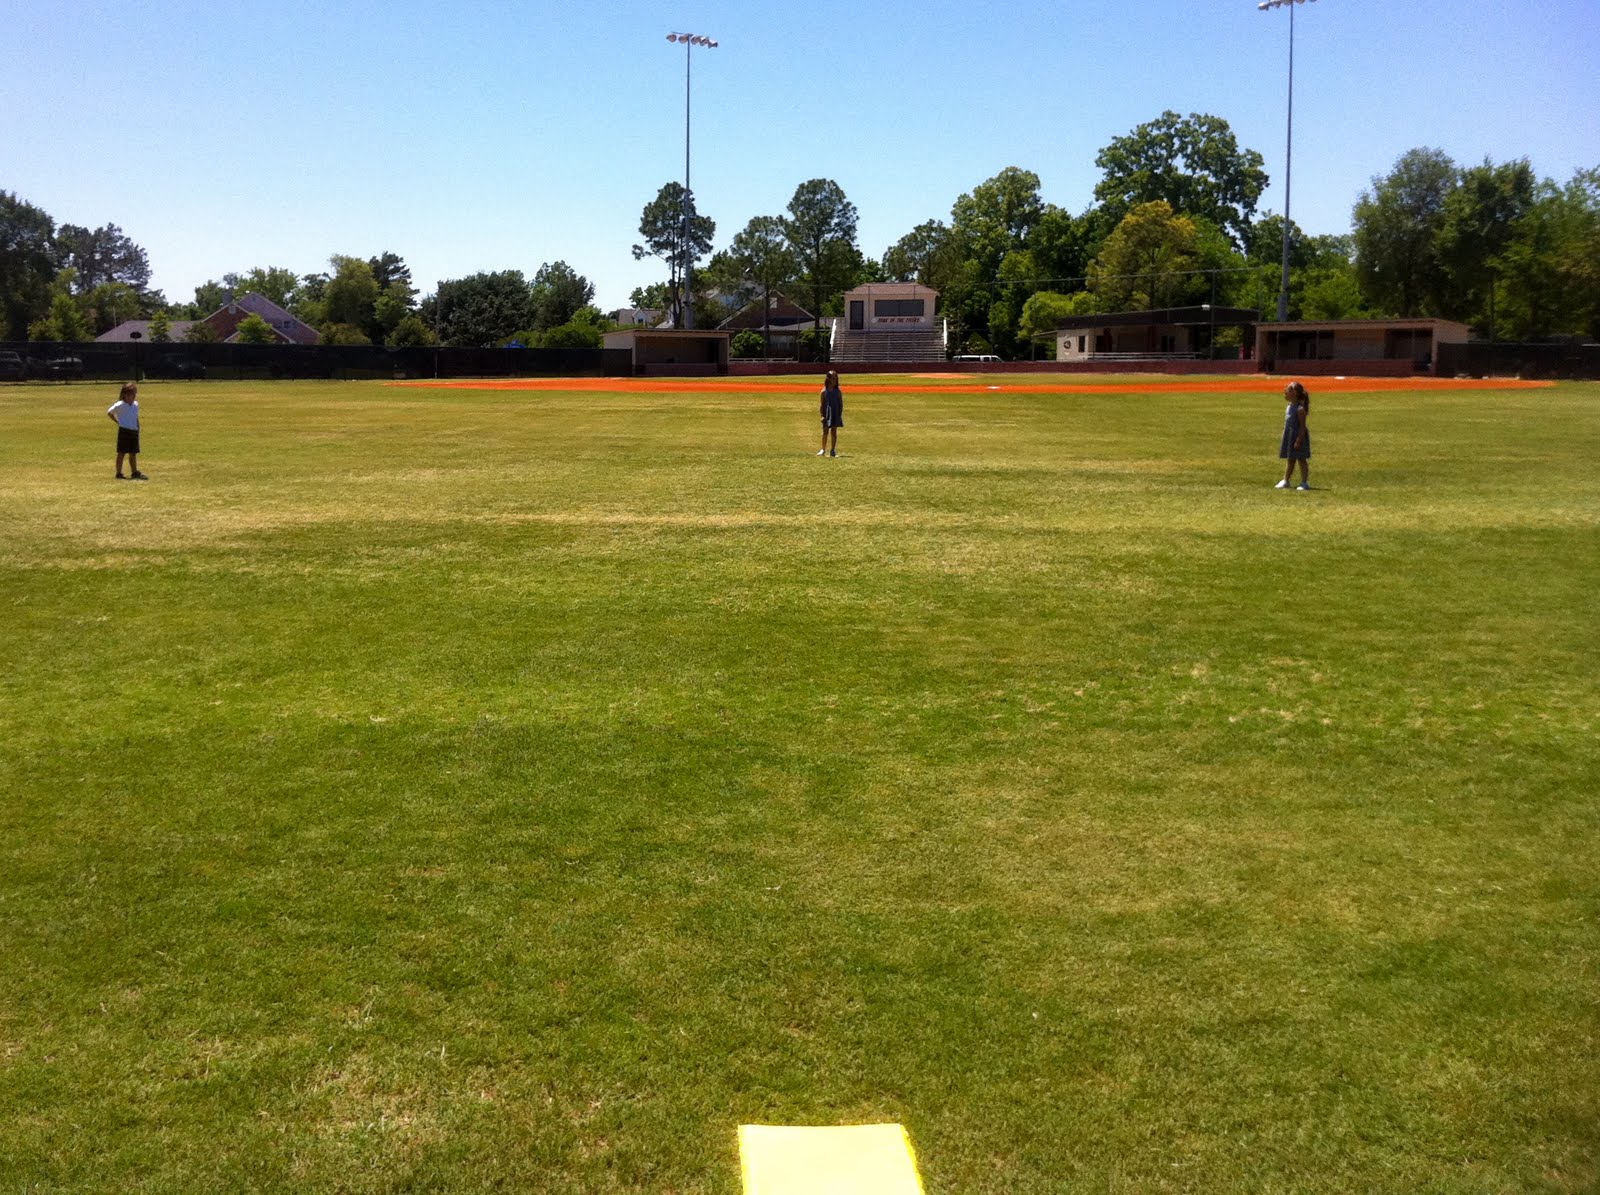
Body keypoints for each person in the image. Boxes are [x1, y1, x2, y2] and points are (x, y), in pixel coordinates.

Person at [108, 382, 147, 480]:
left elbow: (135, 416)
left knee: (133, 453)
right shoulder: (120, 405)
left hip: (133, 431)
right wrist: (117, 421)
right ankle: (119, 473)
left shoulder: (135, 404)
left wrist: (137, 426)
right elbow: (110, 412)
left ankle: (134, 472)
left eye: (134, 394)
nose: (132, 397)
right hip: (124, 431)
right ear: (124, 395)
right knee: (121, 452)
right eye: (130, 394)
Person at [1276, 381, 1310, 490]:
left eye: (1288, 389)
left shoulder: (1300, 409)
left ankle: (1304, 482)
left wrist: (1299, 439)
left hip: (1298, 436)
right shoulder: (1289, 406)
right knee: (1290, 459)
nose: (1285, 391)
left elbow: (1302, 427)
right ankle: (1286, 480)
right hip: (1289, 435)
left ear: (1294, 393)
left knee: (1301, 459)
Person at [818, 370, 844, 457]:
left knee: (834, 431)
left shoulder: (838, 391)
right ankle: (823, 449)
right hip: (827, 414)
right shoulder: (824, 392)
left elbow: (840, 403)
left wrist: (839, 414)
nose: (834, 380)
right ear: (828, 379)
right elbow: (822, 405)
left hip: (835, 413)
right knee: (825, 431)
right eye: (833, 378)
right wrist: (822, 415)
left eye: (836, 378)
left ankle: (832, 450)